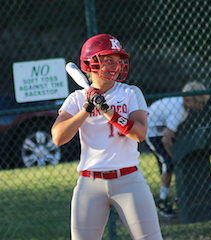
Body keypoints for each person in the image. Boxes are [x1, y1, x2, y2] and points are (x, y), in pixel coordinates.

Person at [51, 34, 163, 240]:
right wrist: (86, 109)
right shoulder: (77, 99)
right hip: (90, 182)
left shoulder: (131, 93)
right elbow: (58, 137)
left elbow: (139, 133)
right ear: (90, 63)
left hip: (129, 180)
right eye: (109, 60)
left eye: (118, 61)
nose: (116, 65)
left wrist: (108, 112)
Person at [145, 81, 210, 217]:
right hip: (150, 130)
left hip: (160, 129)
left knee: (172, 162)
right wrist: (175, 158)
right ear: (188, 100)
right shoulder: (179, 110)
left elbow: (169, 135)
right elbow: (166, 140)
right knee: (168, 164)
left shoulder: (183, 108)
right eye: (198, 103)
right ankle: (162, 202)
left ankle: (177, 197)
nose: (201, 106)